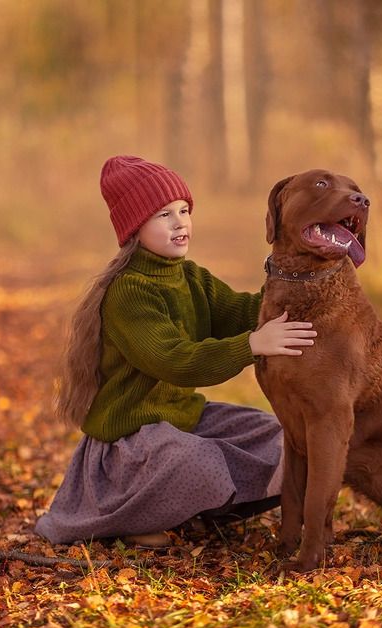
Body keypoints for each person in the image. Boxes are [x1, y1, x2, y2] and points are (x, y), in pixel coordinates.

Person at [35, 155, 315, 547]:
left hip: (183, 422)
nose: (180, 221)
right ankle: (133, 521)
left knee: (282, 438)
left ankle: (193, 513)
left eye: (184, 210)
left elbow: (244, 310)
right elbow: (174, 359)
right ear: (135, 227)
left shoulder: (191, 277)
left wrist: (305, 295)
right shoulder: (129, 292)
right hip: (132, 443)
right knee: (196, 461)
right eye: (164, 214)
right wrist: (252, 345)